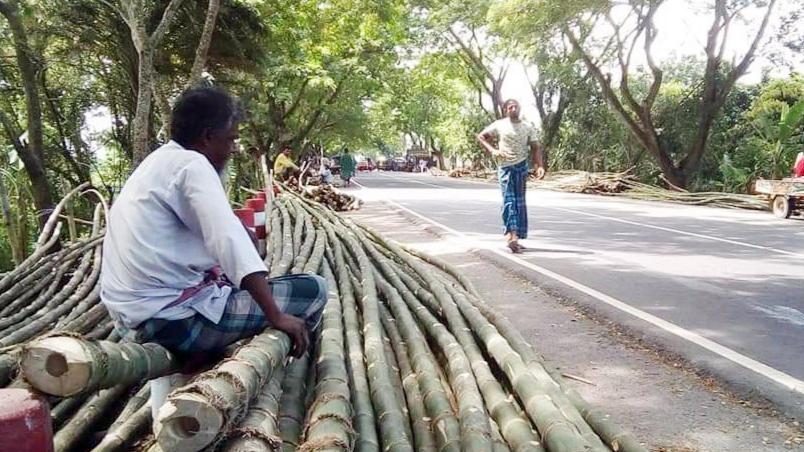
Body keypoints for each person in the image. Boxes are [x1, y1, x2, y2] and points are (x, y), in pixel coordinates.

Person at [100, 87, 326, 361]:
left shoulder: (159, 161)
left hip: (134, 317)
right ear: (208, 136)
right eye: (230, 140)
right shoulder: (193, 166)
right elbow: (228, 241)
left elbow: (226, 231)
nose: (232, 150)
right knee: (313, 289)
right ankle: (289, 364)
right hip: (172, 322)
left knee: (234, 282)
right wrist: (276, 316)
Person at [477, 99, 544, 253]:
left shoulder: (528, 127)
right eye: (509, 107)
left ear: (519, 109)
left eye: (515, 106)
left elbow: (535, 147)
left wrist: (539, 165)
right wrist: (493, 151)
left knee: (520, 203)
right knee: (509, 201)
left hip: (521, 167)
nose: (513, 109)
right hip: (506, 167)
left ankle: (516, 237)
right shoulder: (499, 125)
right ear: (505, 110)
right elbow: (481, 136)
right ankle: (511, 236)